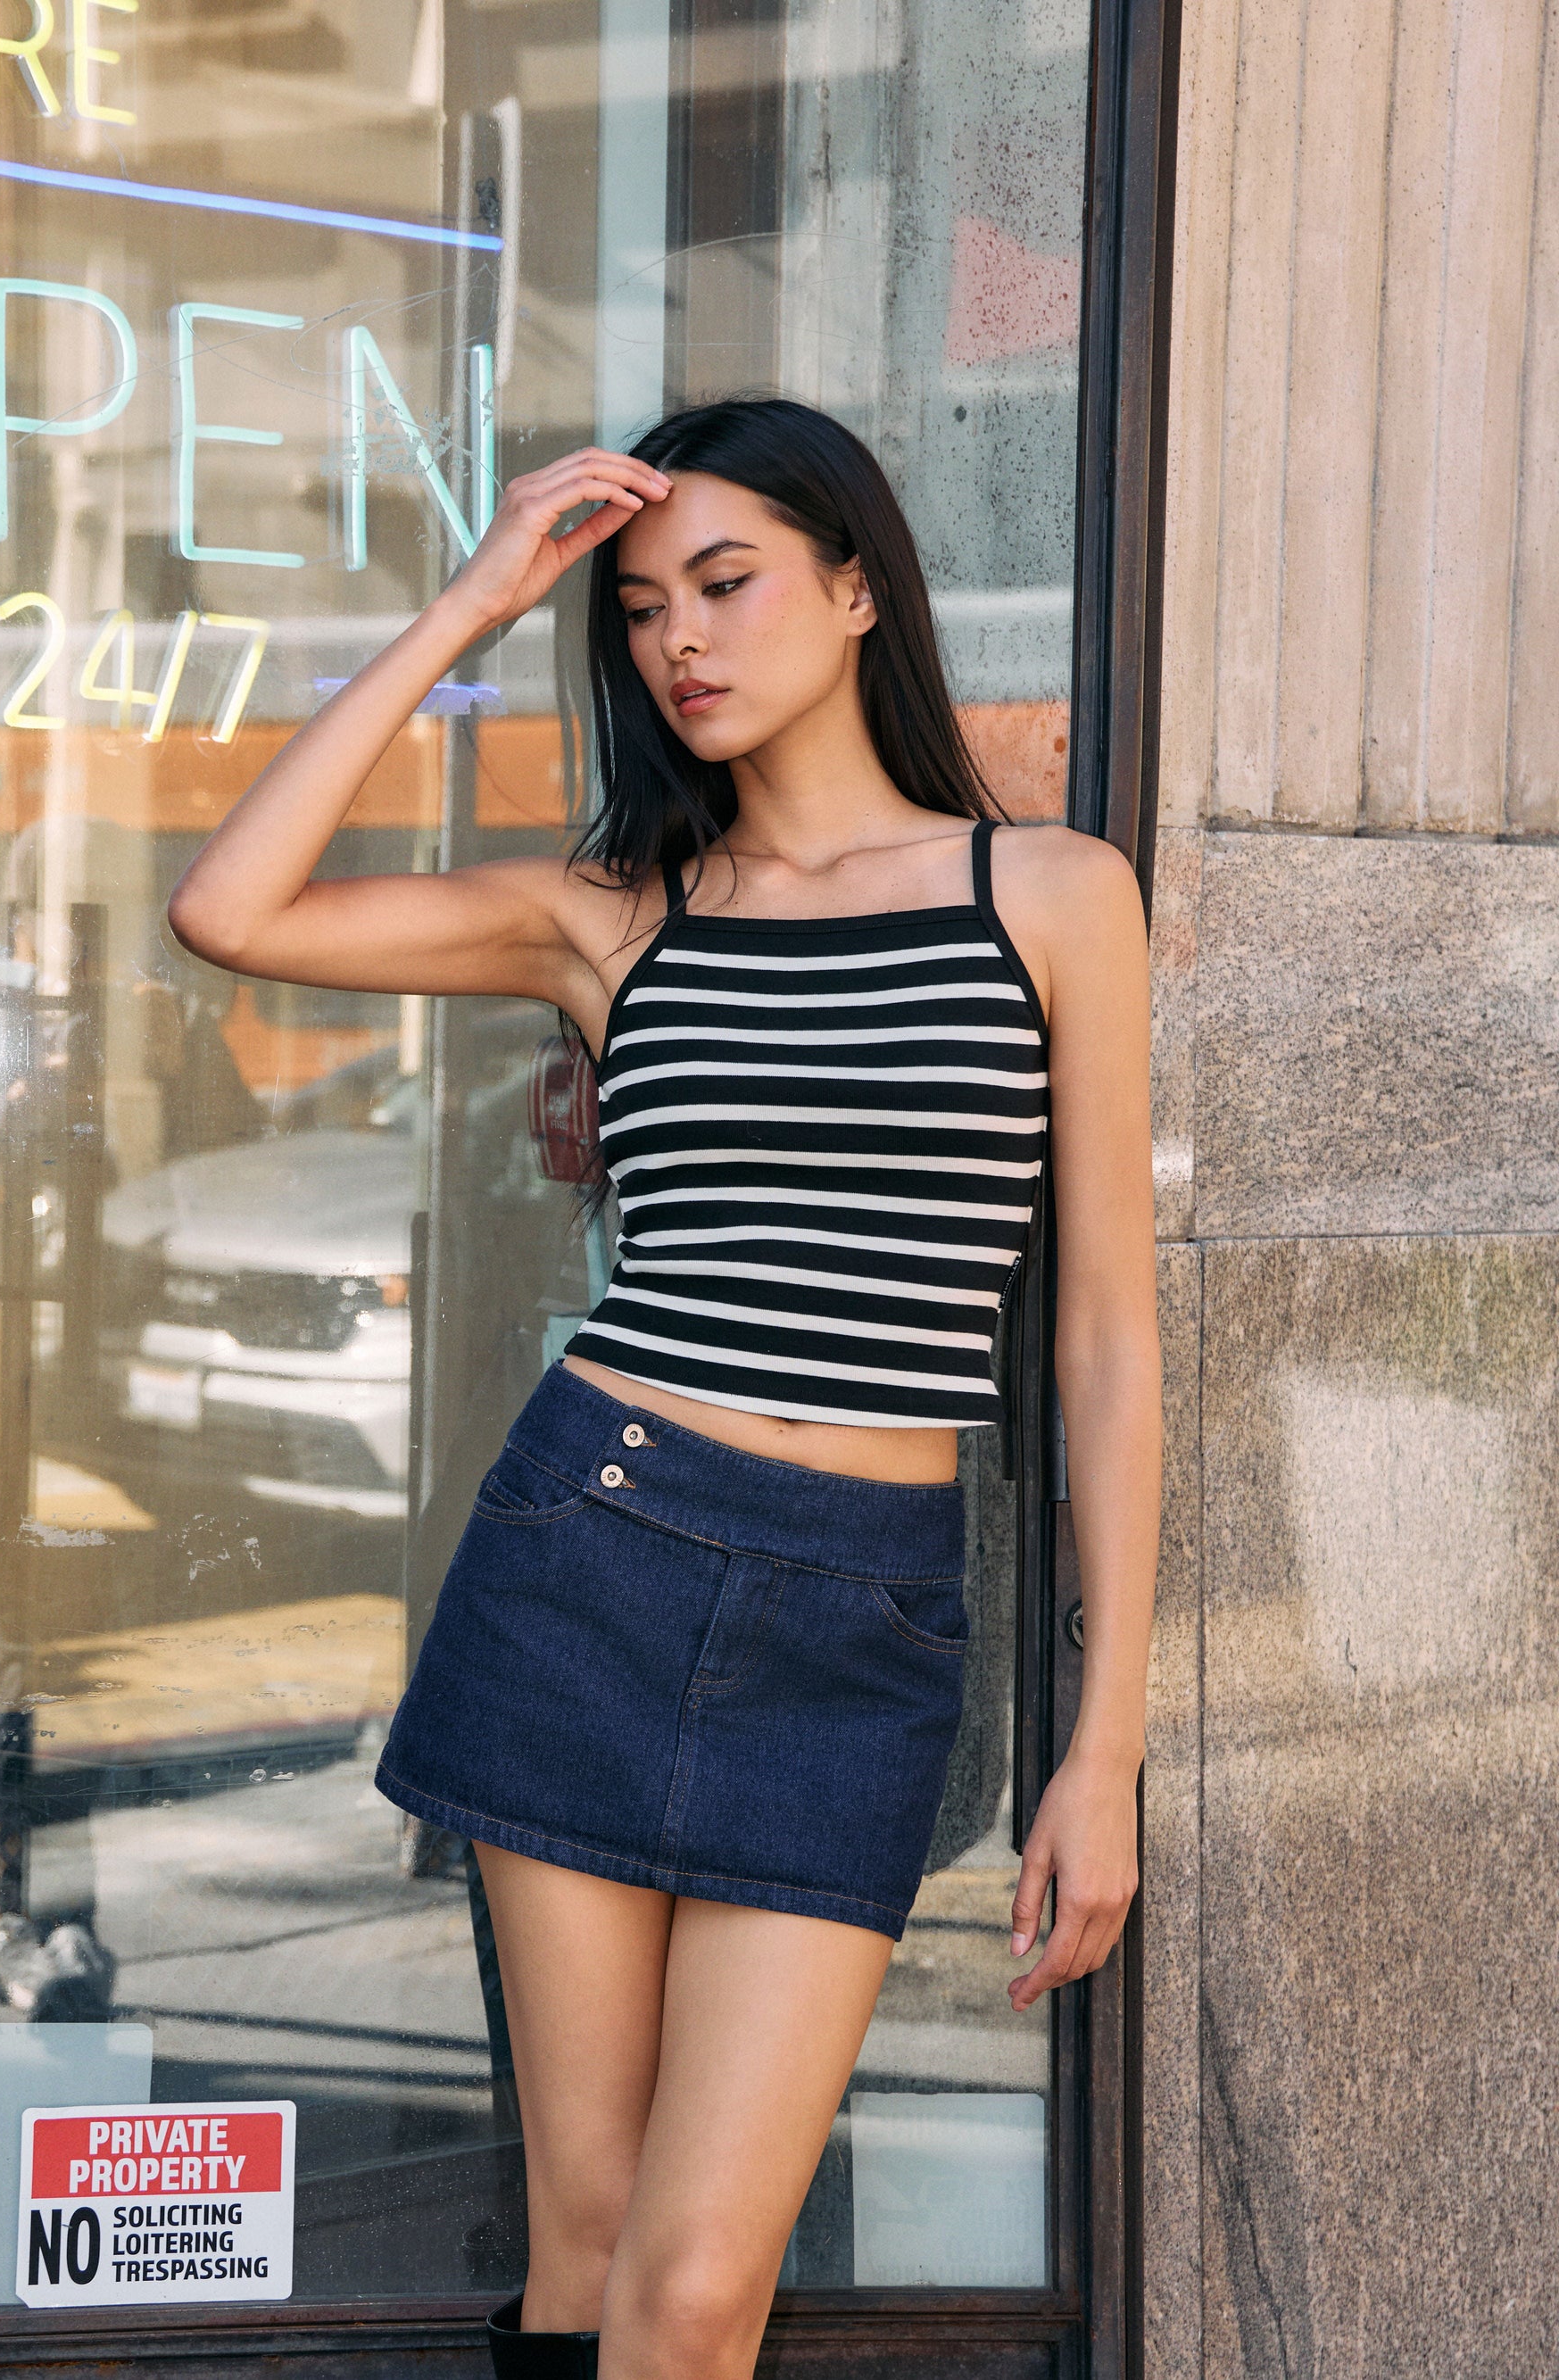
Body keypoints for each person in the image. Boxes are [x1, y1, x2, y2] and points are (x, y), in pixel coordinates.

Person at [168, 397, 1160, 2380]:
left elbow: (1107, 1337)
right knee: (591, 2240)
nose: (680, 642)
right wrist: (476, 594)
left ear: (856, 583)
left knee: (704, 2279)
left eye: (726, 583)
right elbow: (232, 908)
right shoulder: (613, 915)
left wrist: (1100, 1738)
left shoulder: (1047, 894)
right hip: (589, 1560)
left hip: (861, 1606)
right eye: (636, 611)